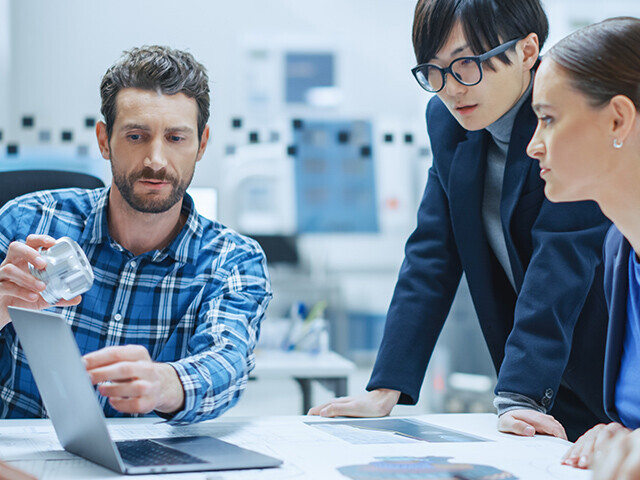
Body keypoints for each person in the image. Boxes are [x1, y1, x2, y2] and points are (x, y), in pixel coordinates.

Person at [310, 0, 611, 442]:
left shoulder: (569, 116)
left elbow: (561, 261)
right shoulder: (449, 124)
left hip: (609, 364)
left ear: (528, 52)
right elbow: (431, 253)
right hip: (546, 383)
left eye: (467, 64)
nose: (451, 89)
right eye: (434, 71)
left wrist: (518, 394)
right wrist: (385, 387)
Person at [0, 46, 271, 423]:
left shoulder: (232, 260)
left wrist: (164, 383)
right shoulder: (24, 222)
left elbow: (226, 362)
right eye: (136, 136)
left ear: (202, 144)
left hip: (148, 467)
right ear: (104, 139)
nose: (156, 160)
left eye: (176, 138)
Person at [524, 16, 640, 473]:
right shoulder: (618, 252)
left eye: (548, 119)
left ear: (618, 118)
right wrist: (620, 431)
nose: (534, 145)